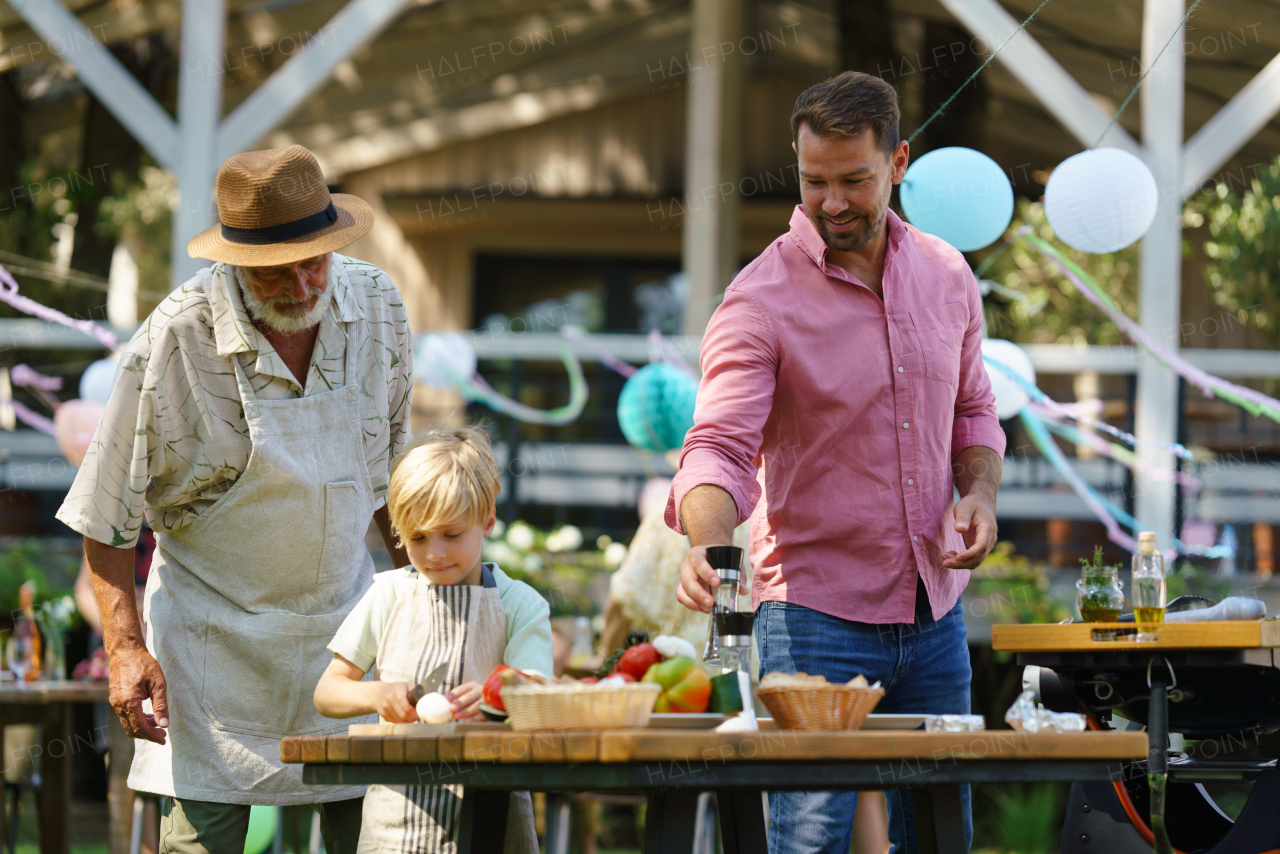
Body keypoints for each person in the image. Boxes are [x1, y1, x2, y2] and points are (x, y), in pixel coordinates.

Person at [668, 71, 1005, 854]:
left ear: (898, 163)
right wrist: (707, 545)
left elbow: (973, 411)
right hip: (814, 621)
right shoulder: (758, 301)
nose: (832, 202)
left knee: (941, 838)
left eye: (854, 179)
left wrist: (980, 493)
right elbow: (717, 447)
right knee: (808, 844)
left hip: (935, 611)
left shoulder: (950, 276)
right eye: (813, 181)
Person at [56, 144, 414, 853]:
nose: (304, 282)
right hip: (210, 653)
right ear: (234, 261)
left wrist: (430, 601)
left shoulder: (377, 304)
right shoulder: (174, 338)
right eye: (277, 270)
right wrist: (125, 649)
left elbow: (396, 480)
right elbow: (106, 513)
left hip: (349, 641)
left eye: (317, 259)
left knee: (380, 840)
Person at [314, 425, 551, 853]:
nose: (435, 553)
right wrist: (377, 695)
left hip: (493, 819)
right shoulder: (387, 594)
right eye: (419, 538)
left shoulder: (520, 604)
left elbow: (540, 696)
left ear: (488, 519)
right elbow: (328, 692)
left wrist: (498, 700)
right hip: (397, 820)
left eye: (452, 534)